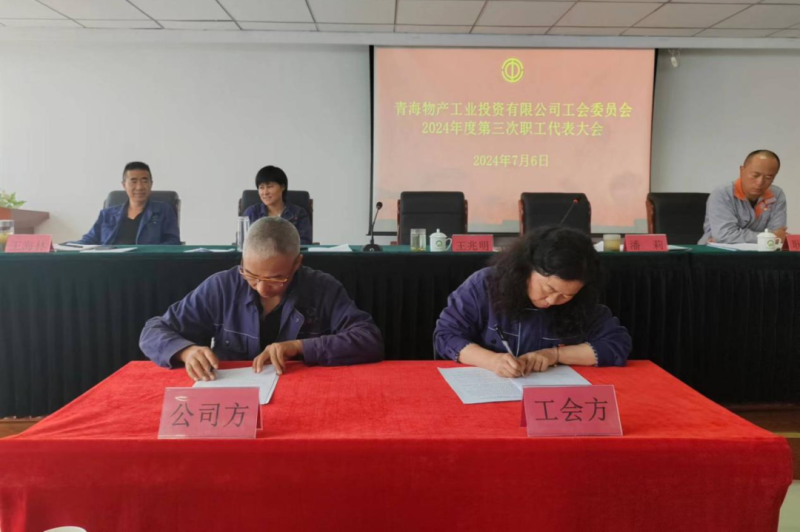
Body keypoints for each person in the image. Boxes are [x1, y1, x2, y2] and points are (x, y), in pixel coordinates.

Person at [140, 217, 383, 381]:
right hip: (234, 396)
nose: (261, 287)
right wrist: (186, 351)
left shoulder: (322, 288)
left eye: (276, 278)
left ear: (297, 263)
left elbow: (369, 339)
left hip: (302, 390)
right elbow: (153, 330)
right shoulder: (223, 286)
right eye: (251, 275)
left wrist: (299, 347)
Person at [434, 226, 631, 377]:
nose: (552, 300)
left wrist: (554, 355)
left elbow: (616, 344)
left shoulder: (583, 298)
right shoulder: (485, 284)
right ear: (526, 269)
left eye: (566, 295)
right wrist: (492, 361)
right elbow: (447, 335)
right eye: (549, 289)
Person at [76, 162, 180, 245]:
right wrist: (68, 246)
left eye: (144, 181)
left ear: (151, 184)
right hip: (110, 262)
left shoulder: (164, 210)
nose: (139, 187)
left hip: (148, 262)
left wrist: (149, 254)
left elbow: (173, 242)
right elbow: (89, 240)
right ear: (124, 185)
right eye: (133, 181)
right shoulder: (107, 214)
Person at [699, 150, 787, 245]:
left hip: (760, 252)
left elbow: (778, 236)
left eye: (768, 177)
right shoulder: (722, 194)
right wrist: (768, 237)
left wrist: (772, 237)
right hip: (715, 251)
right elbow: (724, 235)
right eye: (755, 175)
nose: (760, 182)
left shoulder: (777, 195)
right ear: (742, 171)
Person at [243, 166, 312, 245]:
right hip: (257, 253)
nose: (265, 192)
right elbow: (243, 243)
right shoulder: (251, 213)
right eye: (261, 188)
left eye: (269, 187)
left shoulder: (298, 213)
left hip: (289, 253)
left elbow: (305, 243)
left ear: (282, 187)